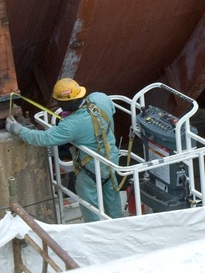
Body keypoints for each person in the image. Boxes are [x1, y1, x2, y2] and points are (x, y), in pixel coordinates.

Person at [7, 78, 123, 221]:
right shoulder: (100, 98)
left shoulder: (70, 125)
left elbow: (42, 138)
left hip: (90, 168)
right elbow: (111, 110)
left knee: (89, 204)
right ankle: (119, 224)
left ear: (64, 104)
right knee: (112, 193)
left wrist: (16, 129)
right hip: (111, 158)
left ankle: (94, 232)